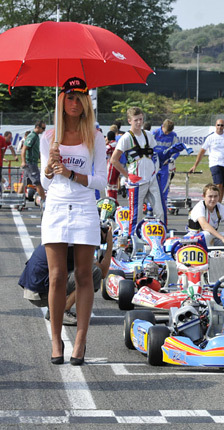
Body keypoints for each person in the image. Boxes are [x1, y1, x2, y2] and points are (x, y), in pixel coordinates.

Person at [40, 76, 107, 365]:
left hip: (84, 208)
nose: (74, 102)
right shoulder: (49, 137)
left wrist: (70, 173)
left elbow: (102, 182)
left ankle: (80, 340)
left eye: (80, 97)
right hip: (55, 206)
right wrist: (48, 167)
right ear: (61, 99)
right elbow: (46, 180)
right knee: (55, 277)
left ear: (86, 102)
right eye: (69, 97)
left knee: (82, 275)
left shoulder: (96, 135)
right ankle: (56, 341)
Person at [20, 225, 114, 327]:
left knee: (79, 271)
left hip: (34, 288)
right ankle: (62, 311)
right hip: (39, 292)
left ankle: (54, 310)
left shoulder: (66, 235)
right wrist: (110, 245)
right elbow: (102, 272)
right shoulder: (78, 245)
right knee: (93, 273)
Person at [110, 107, 163, 236]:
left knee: (159, 211)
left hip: (151, 179)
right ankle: (132, 240)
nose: (139, 122)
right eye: (136, 120)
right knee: (136, 214)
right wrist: (127, 176)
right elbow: (114, 160)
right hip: (137, 181)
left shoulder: (148, 135)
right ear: (129, 121)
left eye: (141, 119)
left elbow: (156, 154)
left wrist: (156, 169)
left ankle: (159, 240)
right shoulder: (126, 138)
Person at [189, 119, 224, 203]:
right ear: (215, 126)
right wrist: (195, 165)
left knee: (223, 186)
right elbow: (202, 151)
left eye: (221, 125)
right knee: (219, 184)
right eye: (218, 125)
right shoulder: (211, 137)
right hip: (215, 163)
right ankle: (215, 203)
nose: (220, 127)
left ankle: (219, 204)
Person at [19, 120, 47, 201]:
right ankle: (45, 201)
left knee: (24, 182)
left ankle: (17, 202)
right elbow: (24, 149)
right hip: (30, 163)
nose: (44, 130)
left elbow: (36, 151)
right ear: (37, 127)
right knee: (37, 182)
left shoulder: (36, 136)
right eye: (43, 128)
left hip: (32, 162)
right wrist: (23, 161)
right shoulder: (32, 136)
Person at [105, 130, 120, 203]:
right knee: (114, 185)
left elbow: (103, 151)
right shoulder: (118, 144)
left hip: (111, 166)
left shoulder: (110, 145)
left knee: (109, 185)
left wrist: (105, 144)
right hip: (118, 166)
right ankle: (115, 201)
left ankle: (110, 201)